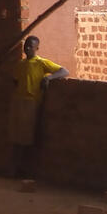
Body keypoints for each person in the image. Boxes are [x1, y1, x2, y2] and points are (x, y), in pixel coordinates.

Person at [8, 35, 67, 179]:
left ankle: (24, 170)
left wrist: (48, 77)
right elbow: (15, 81)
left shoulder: (41, 63)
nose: (27, 48)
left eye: (30, 46)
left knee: (27, 138)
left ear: (37, 48)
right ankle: (16, 169)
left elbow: (64, 71)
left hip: (31, 102)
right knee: (16, 137)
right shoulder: (20, 64)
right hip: (18, 102)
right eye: (26, 45)